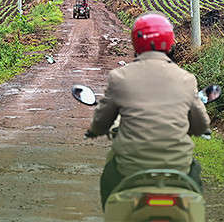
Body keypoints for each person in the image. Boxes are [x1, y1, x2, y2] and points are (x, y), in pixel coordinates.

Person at [85, 12, 211, 209]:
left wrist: (94, 130)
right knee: (196, 179)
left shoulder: (120, 77)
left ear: (136, 42)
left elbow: (103, 119)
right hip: (178, 166)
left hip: (130, 167)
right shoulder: (186, 79)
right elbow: (201, 124)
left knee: (108, 178)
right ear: (170, 41)